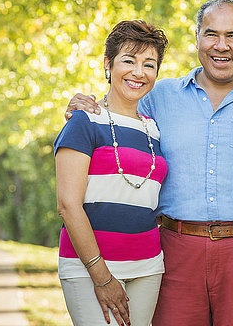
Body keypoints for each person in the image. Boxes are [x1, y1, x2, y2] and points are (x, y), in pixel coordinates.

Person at [65, 0, 233, 326]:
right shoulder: (160, 96)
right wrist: (83, 103)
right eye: (211, 34)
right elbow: (118, 107)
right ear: (197, 37)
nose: (221, 45)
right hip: (174, 251)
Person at [54, 20, 170, 326]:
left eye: (149, 64)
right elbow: (68, 205)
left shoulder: (155, 129)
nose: (138, 72)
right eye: (128, 61)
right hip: (88, 268)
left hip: (147, 266)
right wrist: (102, 277)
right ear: (108, 64)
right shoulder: (83, 122)